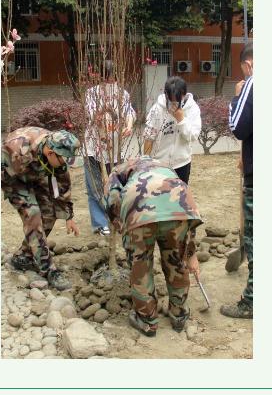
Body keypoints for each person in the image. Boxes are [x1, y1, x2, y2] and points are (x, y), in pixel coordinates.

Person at [103, 156, 203, 336]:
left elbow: (112, 199)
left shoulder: (118, 171)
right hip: (179, 206)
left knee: (140, 266)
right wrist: (189, 253)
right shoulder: (165, 166)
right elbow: (188, 224)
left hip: (139, 210)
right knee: (176, 261)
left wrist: (121, 226)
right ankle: (178, 314)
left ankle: (148, 320)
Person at [2, 127, 81, 290]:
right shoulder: (16, 149)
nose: (65, 164)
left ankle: (23, 256)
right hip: (12, 178)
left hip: (35, 174)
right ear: (51, 153)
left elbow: (62, 184)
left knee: (50, 212)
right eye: (64, 159)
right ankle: (48, 270)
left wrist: (69, 216)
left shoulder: (56, 155)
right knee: (33, 215)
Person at [83, 60, 136, 236]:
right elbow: (93, 117)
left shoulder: (122, 93)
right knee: (96, 187)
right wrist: (105, 111)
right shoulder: (92, 93)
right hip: (94, 146)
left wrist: (128, 125)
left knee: (112, 186)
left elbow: (129, 113)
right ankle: (101, 223)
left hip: (113, 148)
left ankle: (113, 219)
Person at [221, 41, 253, 319]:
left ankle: (253, 301)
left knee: (256, 240)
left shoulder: (252, 85)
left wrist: (237, 96)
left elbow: (238, 127)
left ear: (248, 64)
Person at [143, 76, 201, 185]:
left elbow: (193, 136)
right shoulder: (158, 108)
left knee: (179, 199)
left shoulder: (192, 109)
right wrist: (145, 161)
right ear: (166, 94)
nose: (173, 103)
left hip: (182, 164)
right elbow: (148, 136)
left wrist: (181, 120)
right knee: (158, 198)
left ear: (184, 94)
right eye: (171, 100)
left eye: (177, 100)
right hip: (159, 163)